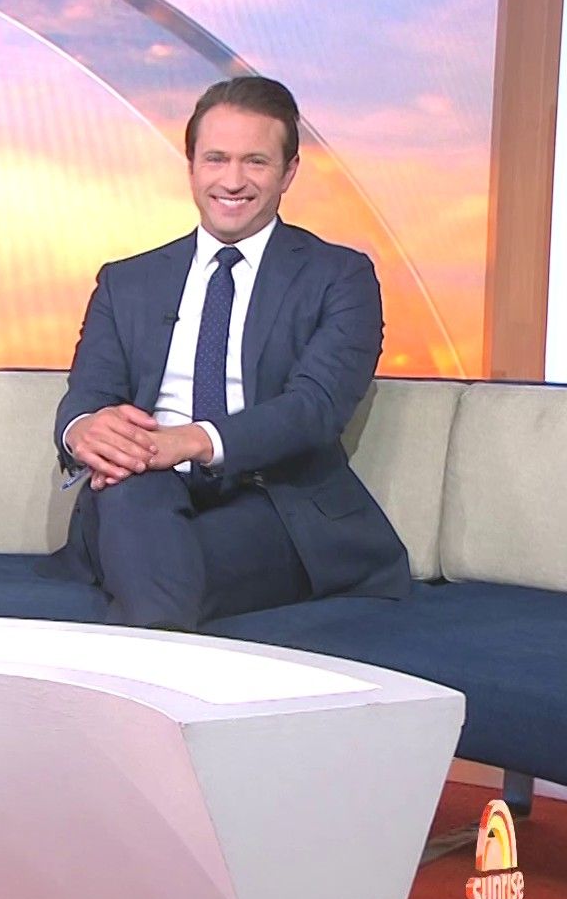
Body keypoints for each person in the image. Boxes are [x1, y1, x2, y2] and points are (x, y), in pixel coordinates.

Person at [42, 76, 410, 629]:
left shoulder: (341, 277)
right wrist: (85, 430)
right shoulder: (127, 282)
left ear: (288, 172)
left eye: (255, 162)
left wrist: (188, 440)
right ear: (192, 167)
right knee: (130, 500)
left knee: (157, 571)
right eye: (216, 159)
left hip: (275, 501)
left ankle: (149, 639)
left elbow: (314, 409)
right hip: (141, 487)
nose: (232, 181)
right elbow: (87, 395)